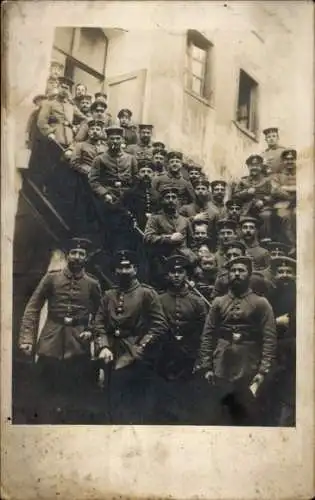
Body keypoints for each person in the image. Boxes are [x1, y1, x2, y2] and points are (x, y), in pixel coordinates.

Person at [18, 238, 102, 424]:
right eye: (74, 253)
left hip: (78, 342)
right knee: (43, 389)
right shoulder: (51, 278)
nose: (77, 257)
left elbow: (100, 314)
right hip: (51, 340)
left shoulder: (92, 284)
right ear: (67, 255)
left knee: (75, 392)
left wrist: (91, 330)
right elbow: (33, 308)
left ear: (86, 258)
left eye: (81, 254)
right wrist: (27, 339)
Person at [195, 255, 277, 425]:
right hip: (221, 365)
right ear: (228, 275)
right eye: (233, 271)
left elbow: (269, 339)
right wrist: (206, 366)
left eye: (241, 270)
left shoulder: (261, 303)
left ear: (249, 274)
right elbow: (208, 335)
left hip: (249, 366)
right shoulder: (218, 303)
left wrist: (262, 371)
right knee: (221, 413)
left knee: (246, 413)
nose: (237, 274)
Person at [93, 250, 168, 424]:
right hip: (111, 353)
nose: (124, 271)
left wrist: (140, 348)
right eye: (120, 267)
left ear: (135, 269)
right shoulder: (108, 296)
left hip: (137, 356)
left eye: (128, 267)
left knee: (135, 405)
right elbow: (98, 324)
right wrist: (103, 346)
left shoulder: (147, 294)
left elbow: (159, 325)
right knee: (112, 403)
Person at [154, 255, 207, 423]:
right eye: (172, 272)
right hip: (165, 354)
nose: (176, 275)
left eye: (180, 272)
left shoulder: (197, 302)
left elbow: (203, 330)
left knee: (187, 395)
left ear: (186, 275)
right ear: (167, 275)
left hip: (189, 355)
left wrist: (198, 355)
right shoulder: (159, 299)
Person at [88, 126, 138, 251]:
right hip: (109, 198)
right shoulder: (99, 159)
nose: (115, 141)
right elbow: (93, 180)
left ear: (122, 141)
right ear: (107, 141)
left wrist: (130, 194)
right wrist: (105, 194)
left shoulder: (131, 158)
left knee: (127, 228)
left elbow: (136, 179)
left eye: (117, 139)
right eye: (112, 139)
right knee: (108, 229)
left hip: (127, 199)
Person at [144, 185, 195, 289]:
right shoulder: (155, 219)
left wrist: (193, 262)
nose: (171, 200)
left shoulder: (185, 220)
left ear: (178, 200)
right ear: (162, 200)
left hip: (182, 264)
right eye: (167, 197)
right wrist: (169, 239)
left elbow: (192, 244)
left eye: (173, 197)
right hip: (162, 263)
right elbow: (148, 238)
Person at [268, 256, 296, 426]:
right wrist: (276, 321)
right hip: (274, 344)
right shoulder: (270, 295)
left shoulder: (302, 294)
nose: (284, 275)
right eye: (281, 272)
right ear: (275, 275)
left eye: (289, 272)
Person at [233, 154, 277, 239]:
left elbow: (274, 195)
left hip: (263, 208)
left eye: (257, 165)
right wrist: (246, 192)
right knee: (241, 218)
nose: (254, 167)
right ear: (248, 167)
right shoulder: (243, 181)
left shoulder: (267, 181)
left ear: (261, 166)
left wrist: (263, 201)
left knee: (266, 215)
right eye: (251, 165)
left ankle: (265, 239)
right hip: (246, 209)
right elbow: (235, 196)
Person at [122, 161, 159, 232]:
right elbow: (123, 209)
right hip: (133, 228)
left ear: (153, 174)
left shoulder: (157, 194)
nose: (146, 174)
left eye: (149, 172)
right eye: (143, 171)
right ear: (138, 174)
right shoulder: (130, 193)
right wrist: (132, 220)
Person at [272, 149, 297, 247]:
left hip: (300, 204)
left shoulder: (303, 173)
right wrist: (295, 191)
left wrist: (285, 188)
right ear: (283, 161)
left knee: (297, 215)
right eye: (287, 159)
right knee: (284, 217)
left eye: (292, 159)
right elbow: (275, 191)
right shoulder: (278, 175)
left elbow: (307, 188)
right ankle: (291, 245)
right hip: (283, 204)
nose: (290, 161)